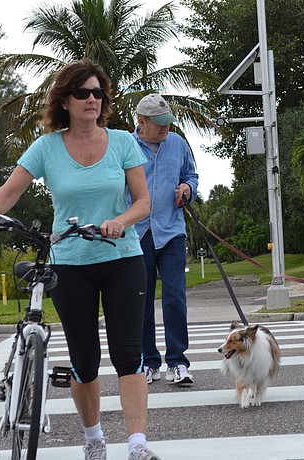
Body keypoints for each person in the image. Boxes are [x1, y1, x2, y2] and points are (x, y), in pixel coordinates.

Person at [0, 60, 160, 460]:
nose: (92, 99)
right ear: (66, 101)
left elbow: (143, 202)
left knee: (129, 354)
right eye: (83, 93)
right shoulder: (47, 147)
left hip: (123, 258)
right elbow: (10, 191)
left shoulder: (123, 142)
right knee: (83, 359)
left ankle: (138, 444)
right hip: (70, 263)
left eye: (98, 93)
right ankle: (93, 440)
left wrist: (119, 221)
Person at [132, 94, 198, 386]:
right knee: (141, 300)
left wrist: (187, 188)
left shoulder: (178, 145)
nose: (164, 129)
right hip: (137, 234)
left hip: (171, 231)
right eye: (158, 124)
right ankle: (148, 361)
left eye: (167, 123)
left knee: (174, 296)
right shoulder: (126, 147)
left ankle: (178, 362)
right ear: (141, 122)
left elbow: (191, 175)